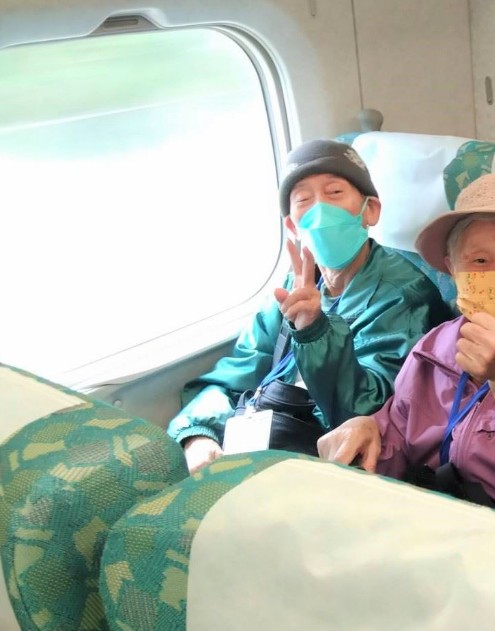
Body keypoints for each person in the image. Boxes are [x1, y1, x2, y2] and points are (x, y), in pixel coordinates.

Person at [315, 173, 495, 530]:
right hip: (431, 523)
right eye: (479, 262)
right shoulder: (432, 349)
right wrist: (369, 431)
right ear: (452, 269)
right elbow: (398, 436)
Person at [167, 139, 451, 473]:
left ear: (370, 210)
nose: (321, 211)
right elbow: (236, 373)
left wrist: (314, 331)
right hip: (269, 436)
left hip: (332, 459)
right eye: (304, 200)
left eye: (335, 193)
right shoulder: (295, 286)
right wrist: (199, 434)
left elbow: (367, 412)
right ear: (292, 225)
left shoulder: (403, 295)